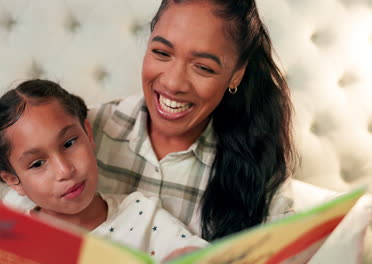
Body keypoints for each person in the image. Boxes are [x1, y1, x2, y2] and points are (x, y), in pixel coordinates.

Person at [88, 0, 296, 241]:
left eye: (203, 68)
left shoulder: (263, 173)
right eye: (162, 53)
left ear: (236, 75)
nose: (173, 83)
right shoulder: (82, 132)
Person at [0, 79, 207, 262]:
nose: (65, 170)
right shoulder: (9, 229)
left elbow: (212, 257)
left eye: (69, 144)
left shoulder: (143, 217)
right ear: (13, 181)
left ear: (88, 133)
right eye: (37, 164)